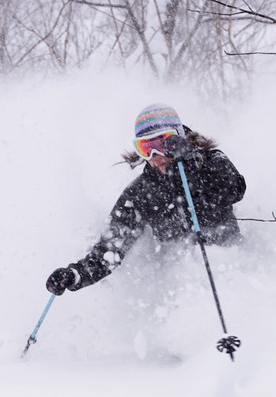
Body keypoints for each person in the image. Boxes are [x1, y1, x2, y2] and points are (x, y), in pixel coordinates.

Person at [46, 103, 246, 296]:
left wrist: (192, 168)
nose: (155, 155)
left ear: (178, 138)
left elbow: (236, 188)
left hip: (231, 267)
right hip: (182, 287)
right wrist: (75, 274)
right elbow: (110, 250)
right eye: (146, 147)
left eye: (162, 144)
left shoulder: (209, 161)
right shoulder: (142, 193)